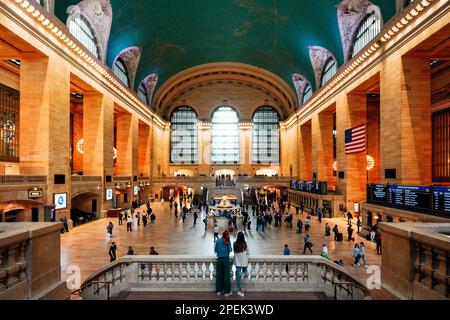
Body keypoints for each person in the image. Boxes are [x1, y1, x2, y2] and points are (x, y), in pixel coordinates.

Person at [215, 230, 232, 296]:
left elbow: (216, 250)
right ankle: (227, 292)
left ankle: (219, 290)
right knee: (226, 276)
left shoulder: (217, 241)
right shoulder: (227, 241)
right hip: (225, 260)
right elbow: (230, 250)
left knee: (219, 276)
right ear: (227, 235)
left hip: (219, 260)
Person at [233, 232, 249, 297]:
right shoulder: (245, 243)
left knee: (239, 276)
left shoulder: (234, 243)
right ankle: (241, 289)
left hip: (238, 262)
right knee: (244, 274)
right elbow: (248, 252)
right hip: (244, 261)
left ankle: (240, 288)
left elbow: (234, 252)